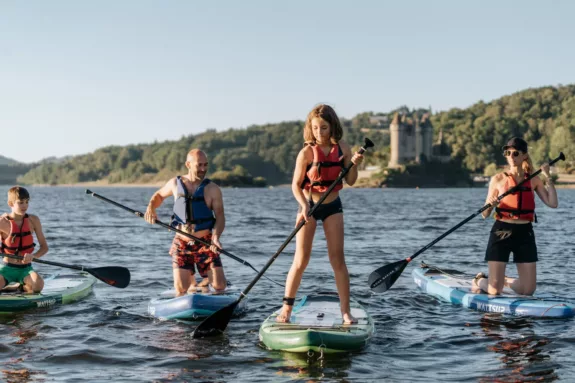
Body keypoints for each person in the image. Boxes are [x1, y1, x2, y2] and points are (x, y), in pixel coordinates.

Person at [276, 104, 364, 324]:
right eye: (315, 128)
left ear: (332, 126)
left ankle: (346, 312)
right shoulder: (306, 152)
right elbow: (295, 185)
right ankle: (286, 309)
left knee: (338, 260)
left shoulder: (342, 147)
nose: (319, 133)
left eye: (323, 128)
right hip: (310, 207)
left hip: (333, 206)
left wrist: (354, 165)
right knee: (301, 260)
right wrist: (303, 205)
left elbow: (351, 180)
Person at [473, 137, 558, 296]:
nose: (511, 156)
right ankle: (479, 280)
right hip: (502, 231)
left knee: (528, 290)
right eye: (508, 153)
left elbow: (553, 203)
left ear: (524, 155)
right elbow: (485, 214)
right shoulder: (498, 179)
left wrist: (548, 177)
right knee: (494, 290)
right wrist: (491, 204)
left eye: (515, 153)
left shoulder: (533, 179)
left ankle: (503, 279)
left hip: (525, 232)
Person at [144, 149, 227, 296]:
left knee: (219, 287)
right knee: (181, 289)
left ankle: (204, 281)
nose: (203, 169)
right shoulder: (175, 183)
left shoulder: (213, 189)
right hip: (182, 243)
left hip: (206, 243)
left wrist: (215, 238)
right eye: (199, 165)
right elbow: (159, 195)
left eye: (205, 165)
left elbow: (220, 216)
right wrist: (151, 207)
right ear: (188, 164)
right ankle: (193, 281)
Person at [0, 186, 49, 293]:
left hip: (25, 269)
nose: (25, 206)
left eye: (27, 202)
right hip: (6, 269)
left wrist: (34, 256)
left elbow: (44, 247)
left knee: (38, 285)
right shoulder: (2, 222)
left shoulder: (33, 220)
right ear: (11, 204)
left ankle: (19, 287)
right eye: (21, 202)